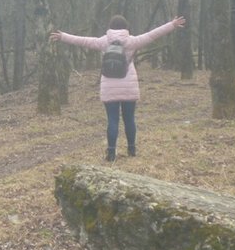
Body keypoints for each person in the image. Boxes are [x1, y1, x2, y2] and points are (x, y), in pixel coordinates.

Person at [50, 14, 186, 162]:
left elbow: (83, 41)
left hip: (109, 86)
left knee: (112, 120)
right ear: (125, 27)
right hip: (129, 86)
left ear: (110, 27)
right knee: (129, 119)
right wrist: (172, 25)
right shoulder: (132, 41)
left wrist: (63, 36)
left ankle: (111, 153)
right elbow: (153, 34)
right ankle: (132, 149)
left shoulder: (103, 42)